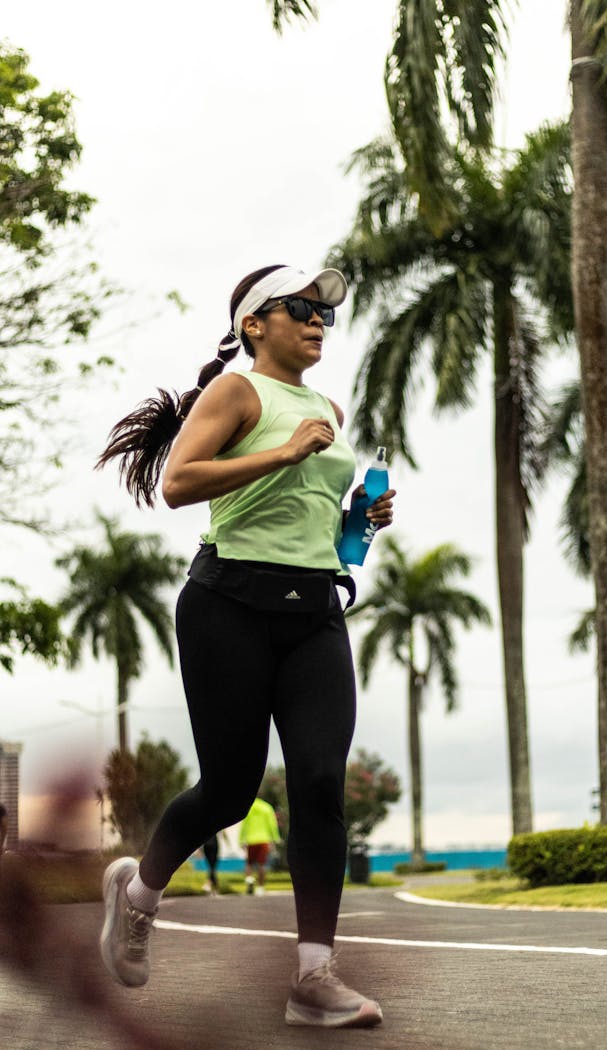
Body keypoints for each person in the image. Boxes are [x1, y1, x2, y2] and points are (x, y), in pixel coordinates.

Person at [95, 264, 396, 1029]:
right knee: (229, 790)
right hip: (228, 605)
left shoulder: (326, 405)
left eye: (325, 311)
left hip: (314, 610)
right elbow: (180, 481)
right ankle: (137, 896)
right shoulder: (237, 392)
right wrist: (286, 452)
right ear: (254, 324)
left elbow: (300, 514)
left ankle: (313, 979)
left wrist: (358, 517)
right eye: (301, 308)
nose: (318, 319)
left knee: (322, 786)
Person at [238, 796, 281, 895]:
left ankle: (249, 880)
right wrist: (275, 838)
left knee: (249, 864)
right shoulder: (267, 807)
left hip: (251, 840)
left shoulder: (249, 807)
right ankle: (260, 887)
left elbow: (244, 825)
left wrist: (241, 839)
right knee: (261, 864)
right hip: (263, 839)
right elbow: (272, 824)